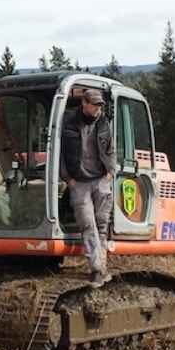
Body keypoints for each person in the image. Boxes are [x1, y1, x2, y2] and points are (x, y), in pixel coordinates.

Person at [62, 88, 116, 288]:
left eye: (100, 105)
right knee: (87, 224)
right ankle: (96, 269)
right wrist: (67, 178)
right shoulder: (68, 122)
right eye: (94, 104)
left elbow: (110, 148)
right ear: (84, 103)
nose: (98, 108)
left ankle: (100, 268)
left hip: (101, 179)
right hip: (79, 181)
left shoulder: (103, 122)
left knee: (101, 225)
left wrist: (111, 172)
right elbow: (59, 152)